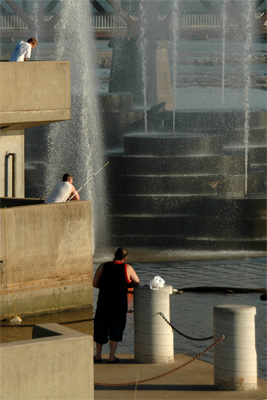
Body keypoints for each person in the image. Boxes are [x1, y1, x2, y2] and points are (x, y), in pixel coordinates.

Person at [93, 248, 140, 363]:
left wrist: (104, 287)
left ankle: (98, 355)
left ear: (114, 255)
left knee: (100, 329)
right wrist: (126, 286)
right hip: (119, 306)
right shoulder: (127, 268)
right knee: (116, 330)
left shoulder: (102, 266)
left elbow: (94, 283)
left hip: (103, 305)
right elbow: (137, 282)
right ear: (125, 258)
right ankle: (111, 357)